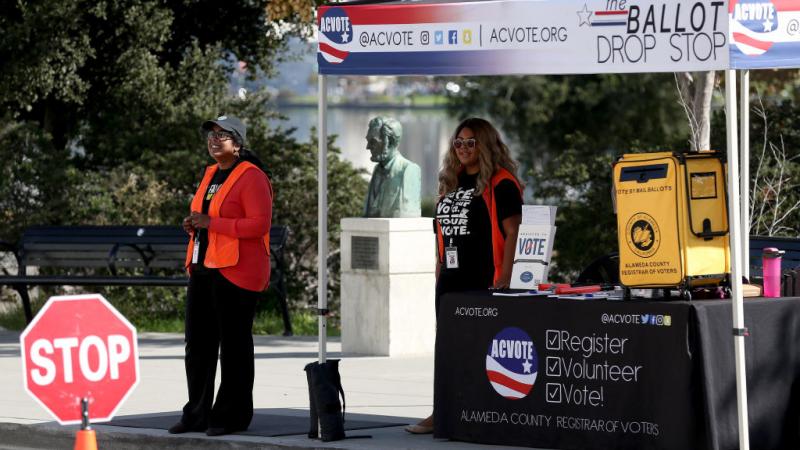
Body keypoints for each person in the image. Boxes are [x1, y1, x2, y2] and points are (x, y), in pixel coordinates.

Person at [405, 117, 523, 434]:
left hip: (483, 280)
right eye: (459, 142)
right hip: (450, 281)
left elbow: (513, 232)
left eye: (471, 142)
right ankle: (441, 412)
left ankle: (482, 415)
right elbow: (442, 235)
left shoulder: (501, 182)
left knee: (480, 350)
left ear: (484, 145)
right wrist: (438, 272)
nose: (463, 148)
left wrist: (505, 277)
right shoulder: (451, 182)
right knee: (447, 350)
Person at [169, 115, 273, 437]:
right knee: (197, 345)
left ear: (238, 143)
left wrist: (211, 224)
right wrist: (195, 223)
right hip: (204, 267)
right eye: (211, 135)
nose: (215, 140)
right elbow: (207, 216)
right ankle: (196, 413)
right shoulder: (211, 173)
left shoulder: (252, 176)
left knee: (234, 347)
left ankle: (231, 416)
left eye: (223, 135)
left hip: (237, 271)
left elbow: (259, 225)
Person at [363, 116, 422, 218]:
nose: (367, 147)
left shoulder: (409, 170)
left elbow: (407, 214)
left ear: (388, 142)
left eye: (373, 142)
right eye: (368, 141)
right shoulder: (377, 170)